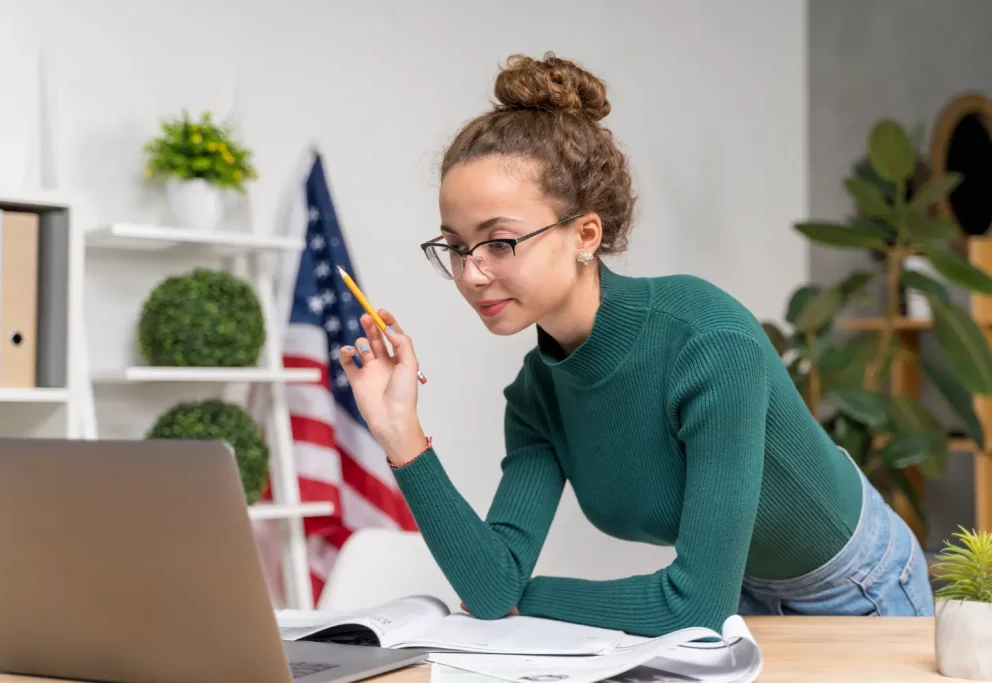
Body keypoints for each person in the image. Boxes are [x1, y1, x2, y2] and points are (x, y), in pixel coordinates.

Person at [337, 52, 934, 637]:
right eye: (458, 247)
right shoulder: (536, 394)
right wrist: (400, 434)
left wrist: (531, 598)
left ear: (585, 235)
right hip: (744, 591)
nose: (472, 274)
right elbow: (493, 587)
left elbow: (694, 605)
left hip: (855, 587)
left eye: (500, 241)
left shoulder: (706, 340)